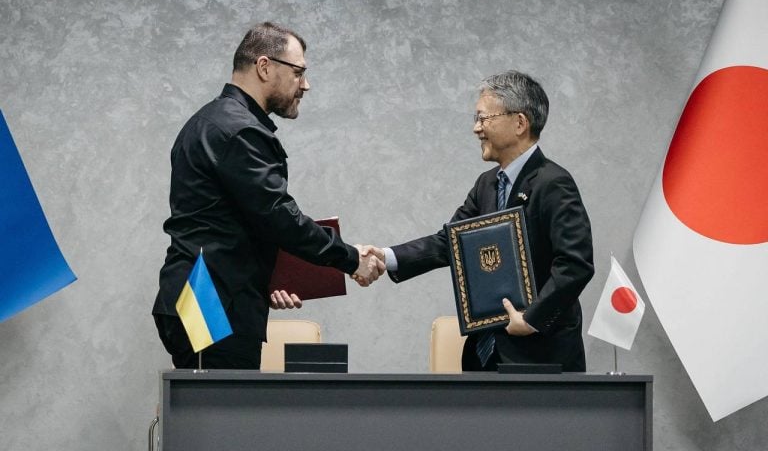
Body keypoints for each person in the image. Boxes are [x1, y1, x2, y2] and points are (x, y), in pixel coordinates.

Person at [152, 22, 384, 369]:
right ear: (264, 66)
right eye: (298, 72)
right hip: (210, 303)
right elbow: (278, 216)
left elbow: (230, 222)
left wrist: (268, 279)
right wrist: (350, 258)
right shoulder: (239, 130)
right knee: (219, 402)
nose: (305, 84)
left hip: (205, 297)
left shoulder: (210, 122)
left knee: (218, 400)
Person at [362, 70, 594, 372]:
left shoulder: (553, 183)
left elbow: (575, 264)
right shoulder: (487, 184)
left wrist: (532, 319)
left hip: (540, 358)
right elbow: (450, 242)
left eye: (483, 118)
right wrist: (387, 256)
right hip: (485, 356)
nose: (476, 128)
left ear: (519, 123)